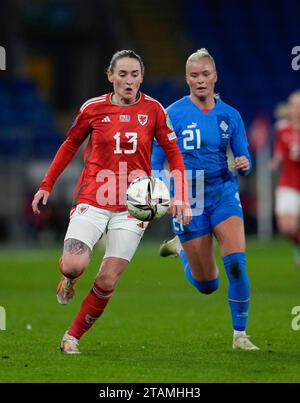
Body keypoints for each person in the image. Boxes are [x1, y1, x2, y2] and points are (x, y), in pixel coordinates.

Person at [32, 50, 191, 354]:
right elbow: (69, 145)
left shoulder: (155, 110)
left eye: (134, 75)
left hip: (134, 206)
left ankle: (72, 337)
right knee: (74, 264)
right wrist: (47, 184)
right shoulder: (93, 108)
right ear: (110, 76)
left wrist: (181, 194)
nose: (128, 81)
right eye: (122, 74)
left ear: (142, 77)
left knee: (107, 279)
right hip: (93, 197)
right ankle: (68, 279)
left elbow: (174, 154)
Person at [151, 48, 259, 350]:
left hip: (224, 193)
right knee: (207, 285)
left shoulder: (230, 115)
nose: (200, 80)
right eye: (194, 75)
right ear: (187, 78)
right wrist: (161, 190)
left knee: (236, 264)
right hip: (188, 198)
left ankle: (240, 335)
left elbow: (244, 154)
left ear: (215, 77)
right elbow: (156, 158)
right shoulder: (172, 114)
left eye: (205, 74)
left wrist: (244, 163)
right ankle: (182, 251)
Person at [271, 90, 300, 265]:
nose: (296, 109)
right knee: (285, 227)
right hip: (288, 182)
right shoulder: (282, 127)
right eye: (294, 106)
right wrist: (276, 160)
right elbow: (280, 148)